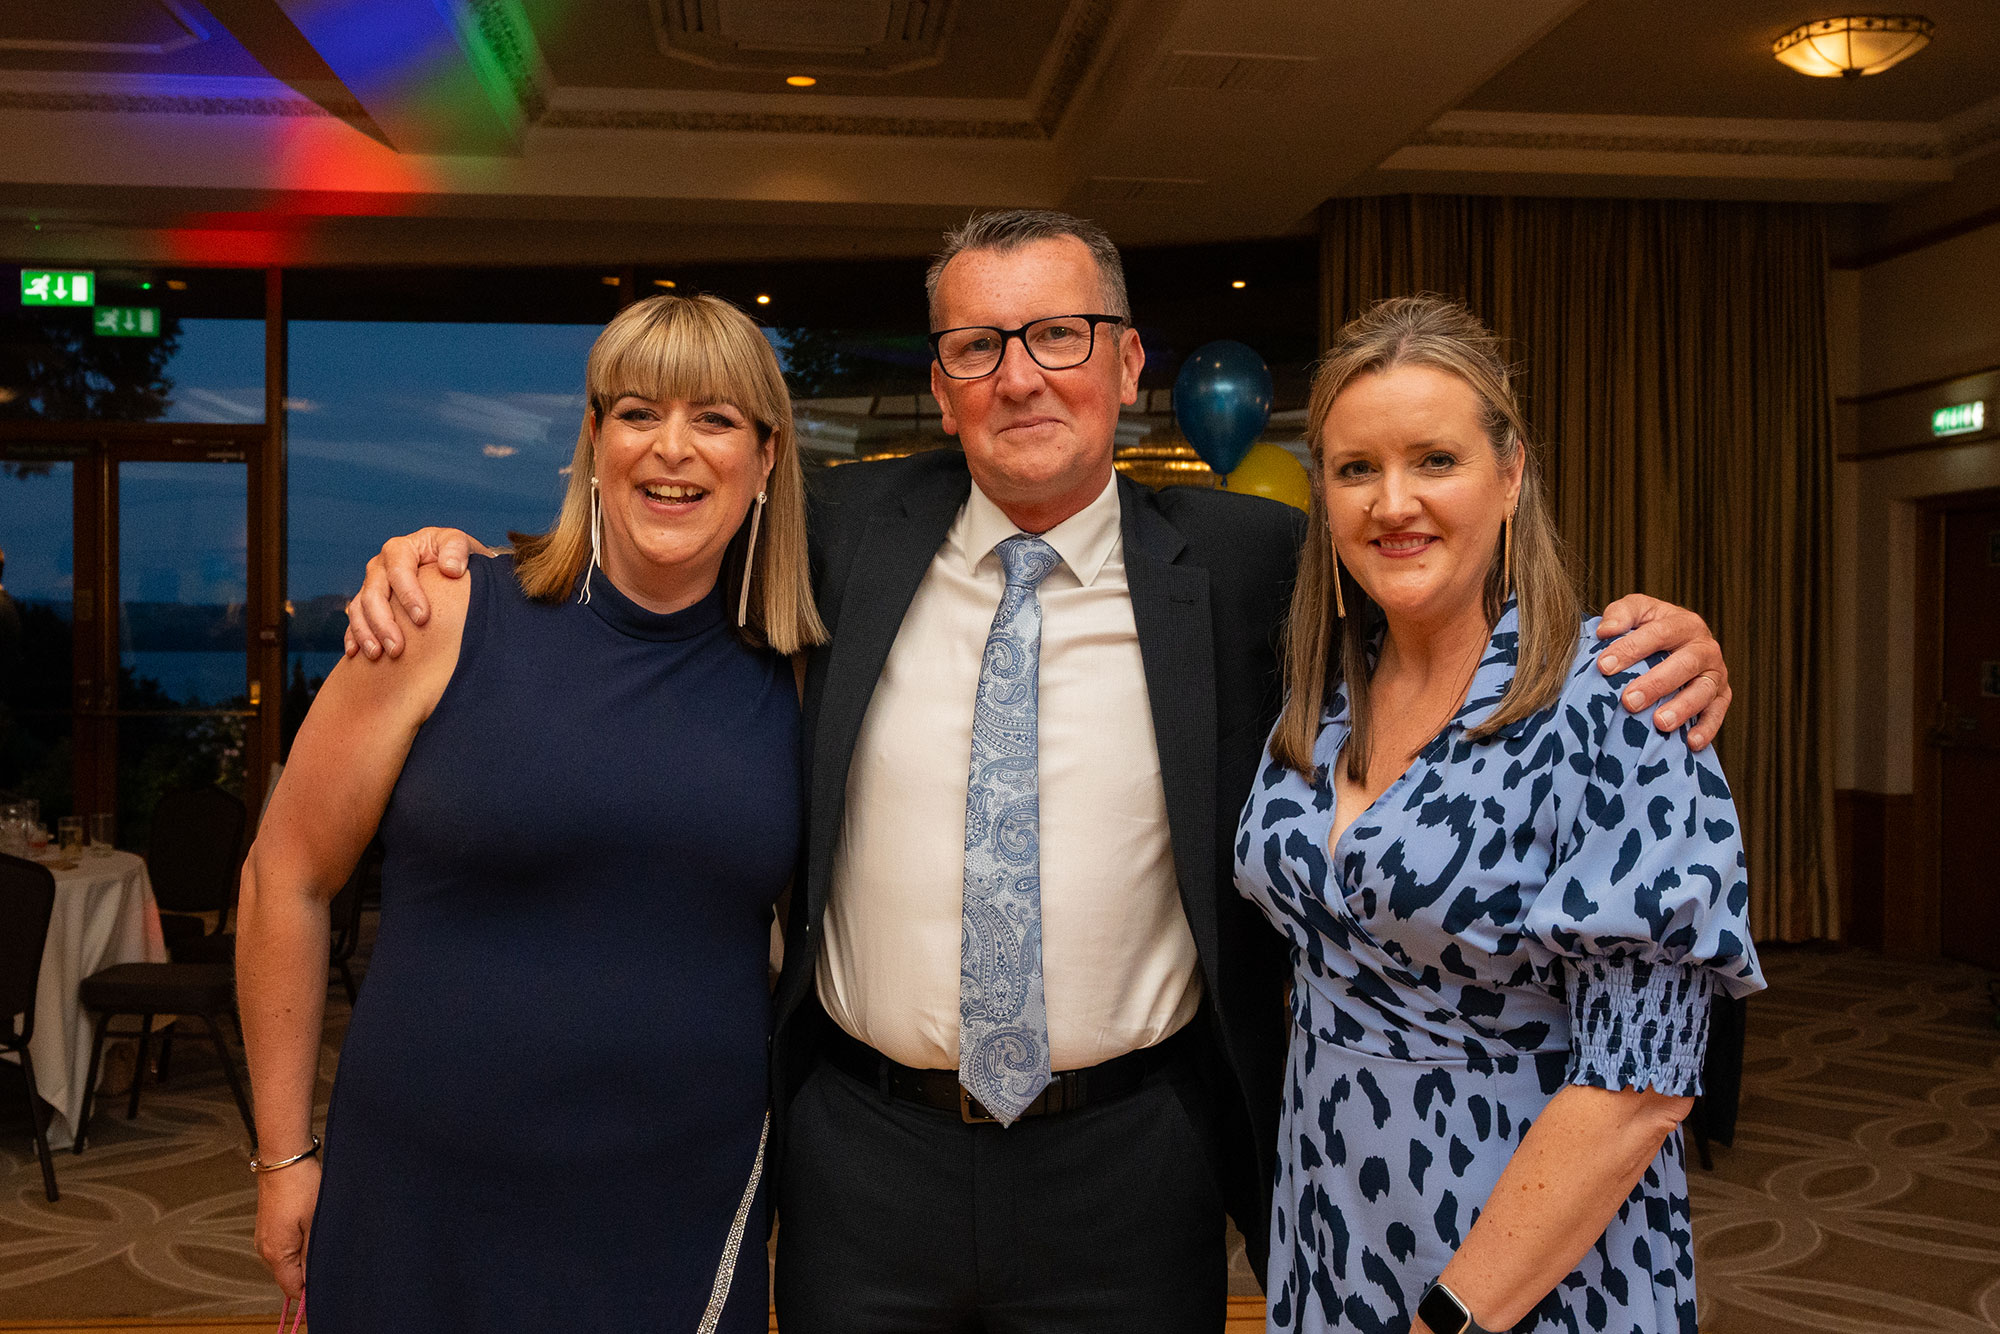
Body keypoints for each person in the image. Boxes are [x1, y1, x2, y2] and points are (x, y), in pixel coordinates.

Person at [343, 212, 1735, 1332]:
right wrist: (449, 560)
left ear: (1126, 364)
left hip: (1130, 1160)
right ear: (941, 386)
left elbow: (1434, 581)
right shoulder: (836, 530)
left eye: (1058, 335)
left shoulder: (1246, 565)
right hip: (864, 1152)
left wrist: (1656, 639)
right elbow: (657, 519)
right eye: (977, 345)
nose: (1019, 376)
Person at [236, 293, 824, 1332]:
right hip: (423, 1191)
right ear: (593, 441)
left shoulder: (801, 670)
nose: (672, 448)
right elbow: (285, 876)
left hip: (680, 1198)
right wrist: (284, 1155)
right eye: (637, 413)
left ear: (766, 458)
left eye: (716, 418)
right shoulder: (442, 614)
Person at [1234, 295, 1765, 1334]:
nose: (1393, 502)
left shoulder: (1618, 703)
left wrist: (1454, 1316)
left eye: (1434, 460)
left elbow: (1641, 1085)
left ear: (1511, 472)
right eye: (1355, 468)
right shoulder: (1319, 696)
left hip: (1526, 1260)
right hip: (1327, 1220)